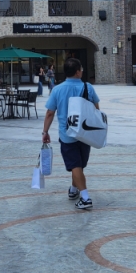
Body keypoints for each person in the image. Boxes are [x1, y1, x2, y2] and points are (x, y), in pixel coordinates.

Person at [42, 58, 100, 210]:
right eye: (81, 69)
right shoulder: (88, 87)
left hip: (67, 134)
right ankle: (75, 190)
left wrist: (45, 132)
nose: (82, 71)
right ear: (77, 72)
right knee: (78, 164)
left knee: (76, 165)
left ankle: (85, 198)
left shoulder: (57, 90)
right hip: (86, 133)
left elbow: (49, 113)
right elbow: (96, 109)